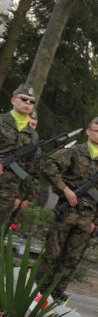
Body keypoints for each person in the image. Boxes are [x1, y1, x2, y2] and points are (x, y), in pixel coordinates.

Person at [38, 116, 98, 300]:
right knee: (53, 253)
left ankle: (57, 291)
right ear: (88, 132)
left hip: (87, 217)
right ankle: (38, 288)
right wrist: (65, 189)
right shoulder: (74, 152)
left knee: (73, 257)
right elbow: (49, 166)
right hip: (67, 211)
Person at [0, 83, 39, 226]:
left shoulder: (33, 136)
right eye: (23, 99)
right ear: (13, 100)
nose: (28, 103)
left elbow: (29, 169)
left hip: (8, 193)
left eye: (31, 101)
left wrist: (20, 196)